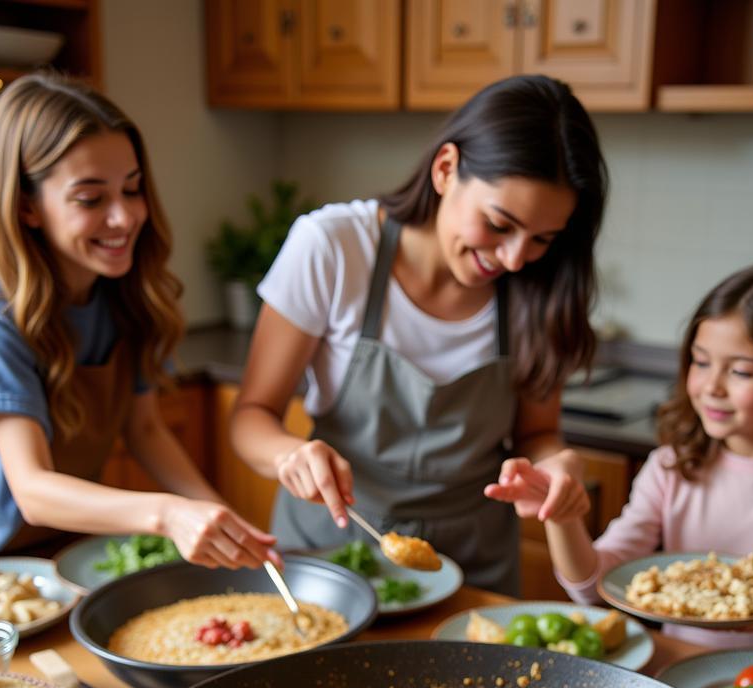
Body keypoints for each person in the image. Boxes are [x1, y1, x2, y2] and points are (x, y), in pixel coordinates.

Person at [229, 75, 607, 594]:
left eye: (542, 238)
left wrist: (555, 463)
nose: (515, 258)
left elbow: (535, 434)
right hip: (329, 553)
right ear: (446, 169)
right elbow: (252, 416)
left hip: (475, 567)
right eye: (499, 224)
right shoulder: (335, 248)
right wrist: (286, 455)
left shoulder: (543, 288)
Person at [0, 72, 276, 578]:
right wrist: (167, 513)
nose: (124, 217)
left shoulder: (123, 292)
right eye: (91, 198)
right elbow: (32, 489)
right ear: (27, 206)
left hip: (65, 536)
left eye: (133, 188)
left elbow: (144, 428)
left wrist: (221, 523)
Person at [485, 261, 753, 656]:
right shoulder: (670, 468)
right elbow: (594, 586)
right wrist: (562, 515)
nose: (711, 386)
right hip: (688, 678)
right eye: (700, 362)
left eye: (742, 372)